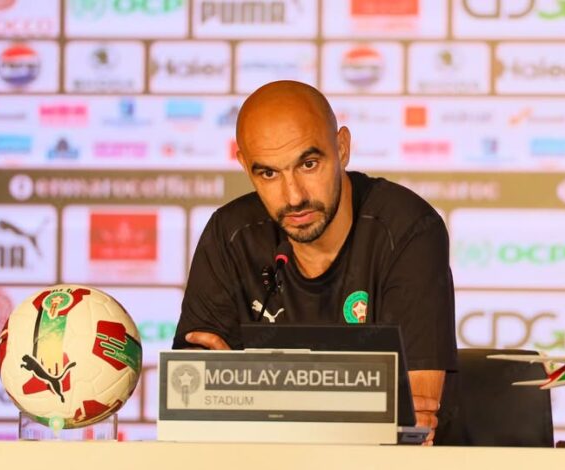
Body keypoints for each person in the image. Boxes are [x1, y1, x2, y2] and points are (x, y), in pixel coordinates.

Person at [173, 80, 457, 444]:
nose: (293, 197)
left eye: (308, 164)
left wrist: (246, 393)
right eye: (268, 173)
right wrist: (363, 406)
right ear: (244, 166)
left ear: (342, 148)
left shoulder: (407, 229)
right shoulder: (230, 235)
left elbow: (414, 424)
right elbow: (192, 408)